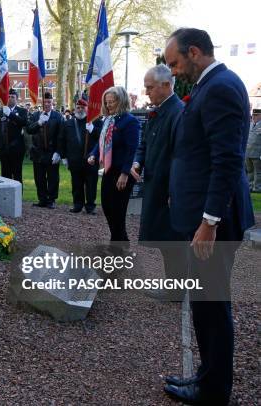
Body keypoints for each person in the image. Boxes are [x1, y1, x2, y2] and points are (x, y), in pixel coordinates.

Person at [162, 28, 254, 405]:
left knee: (214, 307)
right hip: (202, 218)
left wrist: (209, 222)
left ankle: (214, 391)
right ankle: (205, 375)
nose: (173, 70)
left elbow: (227, 160)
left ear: (195, 52)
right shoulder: (207, 85)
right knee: (204, 304)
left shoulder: (220, 88)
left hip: (214, 223)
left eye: (175, 62)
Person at [130, 64, 186, 301]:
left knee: (173, 240)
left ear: (166, 85)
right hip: (156, 185)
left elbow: (180, 156)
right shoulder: (158, 110)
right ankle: (173, 286)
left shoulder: (178, 113)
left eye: (150, 87)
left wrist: (175, 191)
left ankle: (176, 289)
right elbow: (144, 144)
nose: (146, 93)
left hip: (167, 189)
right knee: (165, 239)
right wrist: (137, 162)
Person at [88, 86, 140, 251]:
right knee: (107, 207)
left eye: (112, 102)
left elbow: (132, 149)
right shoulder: (108, 120)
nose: (109, 105)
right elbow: (101, 142)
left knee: (118, 211)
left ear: (122, 101)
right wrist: (94, 154)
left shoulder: (130, 121)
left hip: (122, 173)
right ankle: (122, 241)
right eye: (107, 102)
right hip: (109, 171)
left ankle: (117, 247)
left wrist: (125, 174)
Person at [60, 99, 101, 214]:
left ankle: (90, 206)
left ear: (87, 108)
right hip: (74, 160)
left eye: (83, 107)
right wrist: (63, 157)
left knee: (91, 184)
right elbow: (62, 140)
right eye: (78, 107)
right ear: (75, 108)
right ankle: (77, 205)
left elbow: (103, 138)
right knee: (76, 184)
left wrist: (93, 129)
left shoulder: (96, 121)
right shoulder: (68, 123)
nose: (80, 110)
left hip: (91, 160)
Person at [26, 92, 64, 209]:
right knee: (39, 177)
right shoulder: (36, 115)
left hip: (51, 152)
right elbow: (29, 129)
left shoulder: (58, 116)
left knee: (53, 177)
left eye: (49, 102)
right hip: (38, 152)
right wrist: (38, 123)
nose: (46, 104)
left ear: (52, 103)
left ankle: (51, 199)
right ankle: (42, 199)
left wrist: (58, 152)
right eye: (44, 102)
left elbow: (61, 136)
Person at [0, 89, 28, 182]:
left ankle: (18, 196)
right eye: (8, 96)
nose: (10, 99)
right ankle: (7, 196)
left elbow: (23, 122)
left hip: (17, 149)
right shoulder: (0, 112)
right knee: (5, 175)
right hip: (3, 148)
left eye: (12, 97)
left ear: (17, 99)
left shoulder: (22, 111)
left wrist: (10, 114)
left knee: (17, 175)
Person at [245, 108, 261, 192]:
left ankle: (257, 188)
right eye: (254, 115)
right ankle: (250, 186)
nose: (254, 117)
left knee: (258, 172)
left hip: (257, 152)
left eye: (256, 115)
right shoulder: (250, 124)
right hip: (248, 152)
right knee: (249, 170)